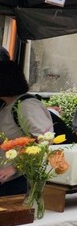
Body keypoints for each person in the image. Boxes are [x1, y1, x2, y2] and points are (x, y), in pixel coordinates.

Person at [0, 61, 54, 196]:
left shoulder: (27, 106)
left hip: (19, 180)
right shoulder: (6, 105)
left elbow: (44, 141)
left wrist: (13, 168)